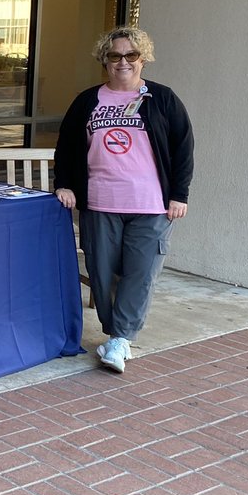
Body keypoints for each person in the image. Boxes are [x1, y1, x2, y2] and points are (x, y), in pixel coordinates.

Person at [53, 26, 194, 374]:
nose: (123, 62)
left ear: (143, 59)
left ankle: (120, 338)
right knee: (101, 273)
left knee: (140, 273)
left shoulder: (161, 99)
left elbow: (183, 148)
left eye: (131, 55)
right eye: (115, 56)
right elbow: (68, 147)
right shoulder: (88, 101)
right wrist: (66, 184)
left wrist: (179, 194)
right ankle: (117, 334)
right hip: (101, 202)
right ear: (105, 60)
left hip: (151, 204)